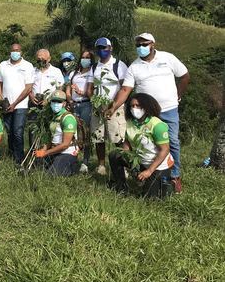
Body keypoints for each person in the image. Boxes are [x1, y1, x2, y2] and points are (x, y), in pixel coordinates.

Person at [106, 33, 190, 192]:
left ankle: (174, 176)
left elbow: (184, 76)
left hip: (169, 108)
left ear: (153, 44)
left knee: (172, 142)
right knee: (144, 140)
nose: (141, 48)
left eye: (144, 44)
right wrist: (114, 106)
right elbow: (125, 89)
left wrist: (178, 94)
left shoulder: (168, 58)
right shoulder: (134, 67)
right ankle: (144, 170)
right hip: (147, 113)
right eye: (138, 45)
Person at [108, 93, 174, 198]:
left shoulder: (157, 125)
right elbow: (127, 143)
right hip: (140, 161)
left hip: (158, 165)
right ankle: (121, 187)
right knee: (115, 155)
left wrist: (149, 171)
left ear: (146, 106)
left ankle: (169, 182)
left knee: (150, 199)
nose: (134, 108)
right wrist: (127, 157)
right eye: (132, 106)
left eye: (138, 105)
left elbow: (164, 150)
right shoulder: (130, 122)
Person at [88, 37, 128, 176]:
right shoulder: (94, 67)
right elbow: (89, 88)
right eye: (99, 48)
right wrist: (95, 102)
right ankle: (101, 165)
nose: (102, 50)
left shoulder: (119, 65)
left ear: (110, 48)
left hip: (115, 106)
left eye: (104, 47)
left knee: (118, 137)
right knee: (98, 137)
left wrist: (113, 105)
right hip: (98, 106)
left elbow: (125, 88)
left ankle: (125, 166)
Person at [0, 43, 34, 165]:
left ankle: (19, 160)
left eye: (17, 50)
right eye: (13, 50)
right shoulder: (3, 65)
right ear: (10, 52)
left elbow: (28, 88)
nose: (15, 52)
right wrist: (1, 99)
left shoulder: (27, 66)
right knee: (10, 132)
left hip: (21, 105)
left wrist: (15, 103)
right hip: (6, 106)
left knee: (18, 132)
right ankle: (12, 155)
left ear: (21, 52)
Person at [34, 90, 80, 176]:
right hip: (56, 151)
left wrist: (45, 153)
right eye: (53, 101)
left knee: (51, 175)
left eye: (59, 101)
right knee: (37, 166)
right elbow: (52, 138)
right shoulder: (54, 117)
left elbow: (65, 145)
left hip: (67, 152)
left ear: (64, 103)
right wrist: (43, 149)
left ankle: (72, 168)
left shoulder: (68, 118)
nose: (56, 104)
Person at [66, 50, 94, 173]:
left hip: (86, 105)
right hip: (74, 105)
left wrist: (79, 92)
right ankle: (73, 158)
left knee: (85, 132)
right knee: (73, 133)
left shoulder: (92, 73)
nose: (85, 59)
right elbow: (68, 89)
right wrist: (69, 100)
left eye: (87, 57)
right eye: (83, 57)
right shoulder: (73, 73)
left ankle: (85, 161)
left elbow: (91, 92)